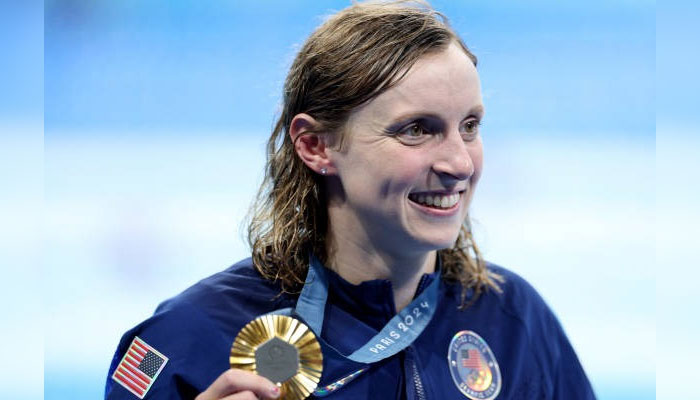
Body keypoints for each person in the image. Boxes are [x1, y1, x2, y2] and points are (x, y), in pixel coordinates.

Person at [105, 1, 596, 399]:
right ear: (316, 146)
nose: (460, 164)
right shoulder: (185, 339)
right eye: (417, 130)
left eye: (469, 126)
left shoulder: (516, 324)